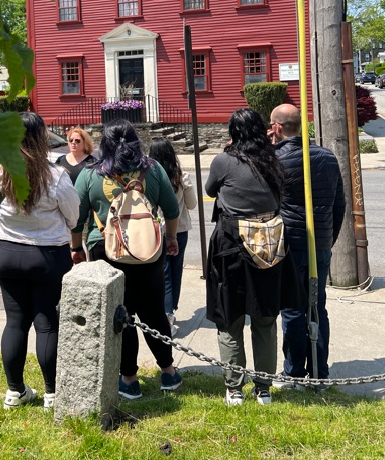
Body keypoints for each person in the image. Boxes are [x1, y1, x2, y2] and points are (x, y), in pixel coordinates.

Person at [72, 119, 183, 400]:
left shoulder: (91, 174)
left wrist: (75, 248)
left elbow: (77, 218)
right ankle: (168, 372)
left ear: (104, 143)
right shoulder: (153, 169)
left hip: (106, 251)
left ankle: (129, 379)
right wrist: (170, 239)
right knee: (155, 313)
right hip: (148, 251)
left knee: (121, 317)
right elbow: (171, 210)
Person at [205, 108, 303, 407]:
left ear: (234, 133)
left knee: (230, 317)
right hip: (269, 243)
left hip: (232, 244)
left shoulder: (224, 161)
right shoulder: (273, 160)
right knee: (264, 319)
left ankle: (234, 388)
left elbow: (210, 189)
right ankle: (263, 388)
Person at [0, 112, 80, 411]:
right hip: (46, 257)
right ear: (41, 138)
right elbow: (73, 216)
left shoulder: (2, 172)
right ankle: (52, 394)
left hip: (7, 252)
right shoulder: (56, 176)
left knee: (15, 322)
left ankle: (15, 391)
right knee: (46, 325)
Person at [269, 103, 345, 388]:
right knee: (318, 306)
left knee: (291, 308)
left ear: (276, 128)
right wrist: (329, 237)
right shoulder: (327, 156)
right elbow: (340, 204)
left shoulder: (276, 159)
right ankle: (319, 371)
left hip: (290, 243)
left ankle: (293, 372)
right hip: (321, 241)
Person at [148, 137, 196, 336]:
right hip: (180, 228)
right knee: (176, 271)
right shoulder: (180, 176)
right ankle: (170, 310)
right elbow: (192, 204)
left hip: (155, 229)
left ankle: (166, 312)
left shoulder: (149, 175)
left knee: (163, 273)